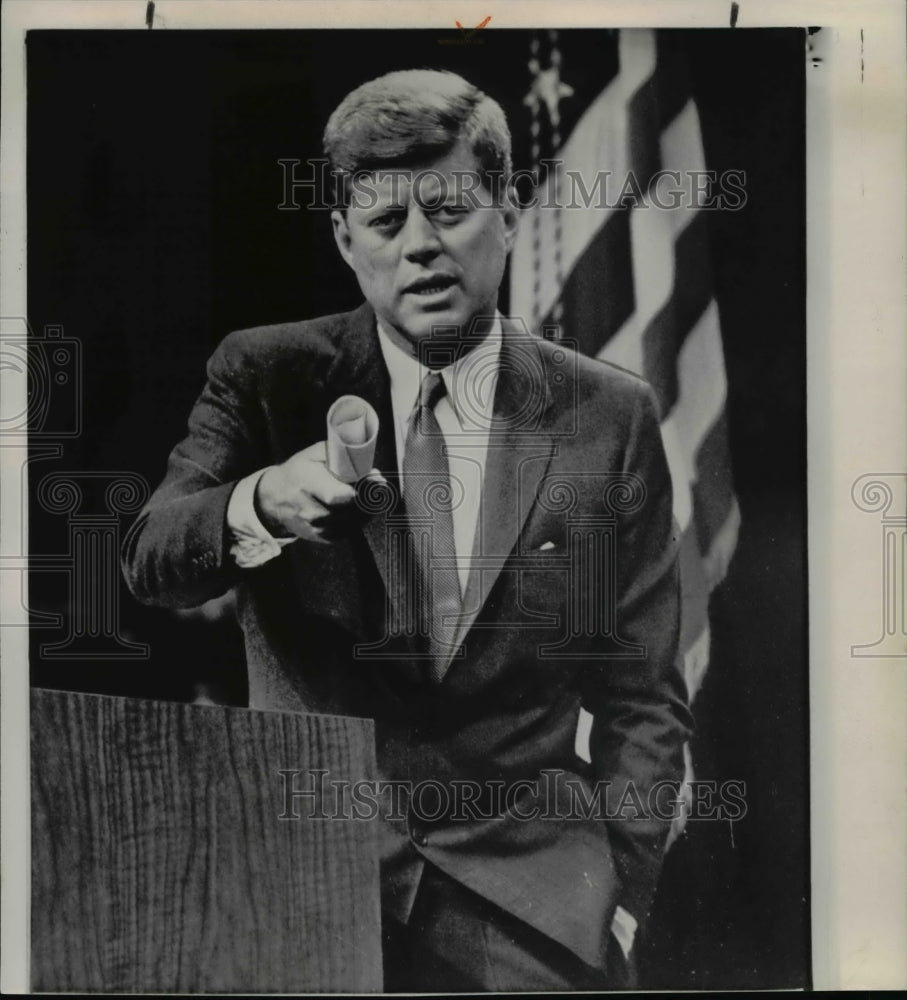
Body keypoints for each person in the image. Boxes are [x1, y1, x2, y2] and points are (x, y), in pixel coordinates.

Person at [122, 68, 692, 992]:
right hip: (300, 885)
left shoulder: (607, 415)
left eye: (451, 210)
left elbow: (643, 697)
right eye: (386, 224)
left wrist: (621, 888)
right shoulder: (268, 378)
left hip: (531, 903)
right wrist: (260, 501)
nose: (420, 246)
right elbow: (151, 560)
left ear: (508, 211)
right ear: (346, 240)